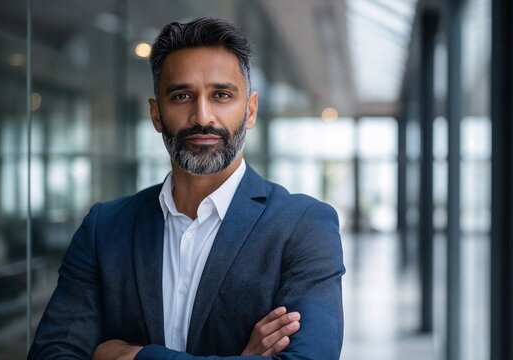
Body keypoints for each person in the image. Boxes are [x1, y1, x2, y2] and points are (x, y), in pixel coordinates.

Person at [28, 17, 345, 360]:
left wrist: (133, 357)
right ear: (156, 114)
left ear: (250, 110)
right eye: (182, 96)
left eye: (221, 95)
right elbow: (51, 354)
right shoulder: (104, 228)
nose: (202, 116)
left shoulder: (304, 226)